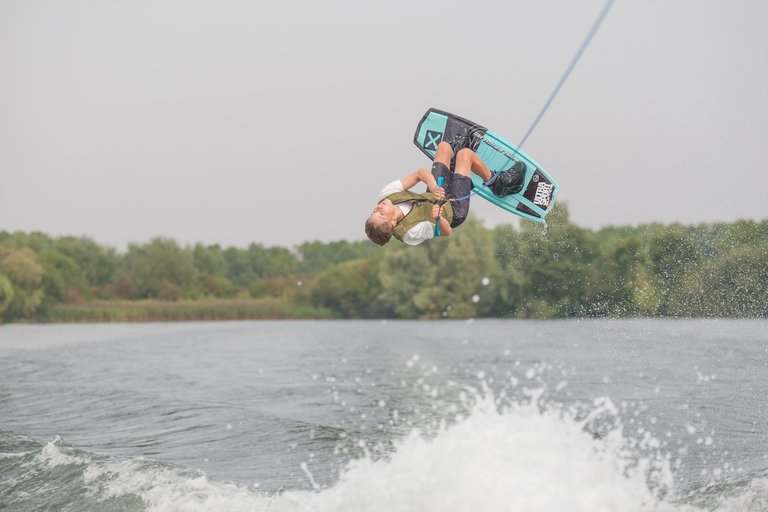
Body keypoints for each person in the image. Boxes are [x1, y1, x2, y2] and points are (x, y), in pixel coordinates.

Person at [365, 140, 526, 246]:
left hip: (436, 192)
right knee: (466, 154)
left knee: (443, 147)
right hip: (453, 211)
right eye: (380, 214)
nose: (377, 208)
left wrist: (434, 186)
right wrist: (437, 217)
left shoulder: (386, 195)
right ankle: (498, 184)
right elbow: (446, 231)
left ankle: (455, 164)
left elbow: (419, 174)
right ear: (393, 221)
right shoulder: (410, 233)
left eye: (373, 211)